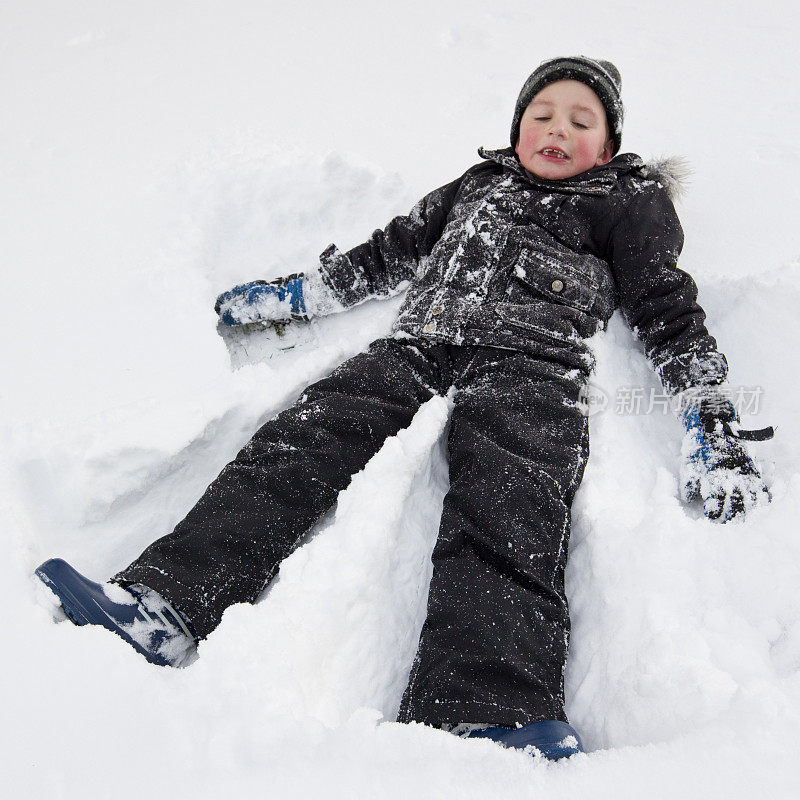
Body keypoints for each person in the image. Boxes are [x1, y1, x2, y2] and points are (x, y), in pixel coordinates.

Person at [35, 56, 773, 761]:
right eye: (542, 113)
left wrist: (708, 414)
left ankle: (485, 706)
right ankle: (163, 603)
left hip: (534, 363)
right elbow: (385, 254)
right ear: (517, 127)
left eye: (581, 121)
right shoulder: (478, 182)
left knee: (509, 503)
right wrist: (295, 296)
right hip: (419, 344)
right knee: (297, 445)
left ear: (610, 145)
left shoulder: (628, 200)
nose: (556, 128)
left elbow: (667, 308)